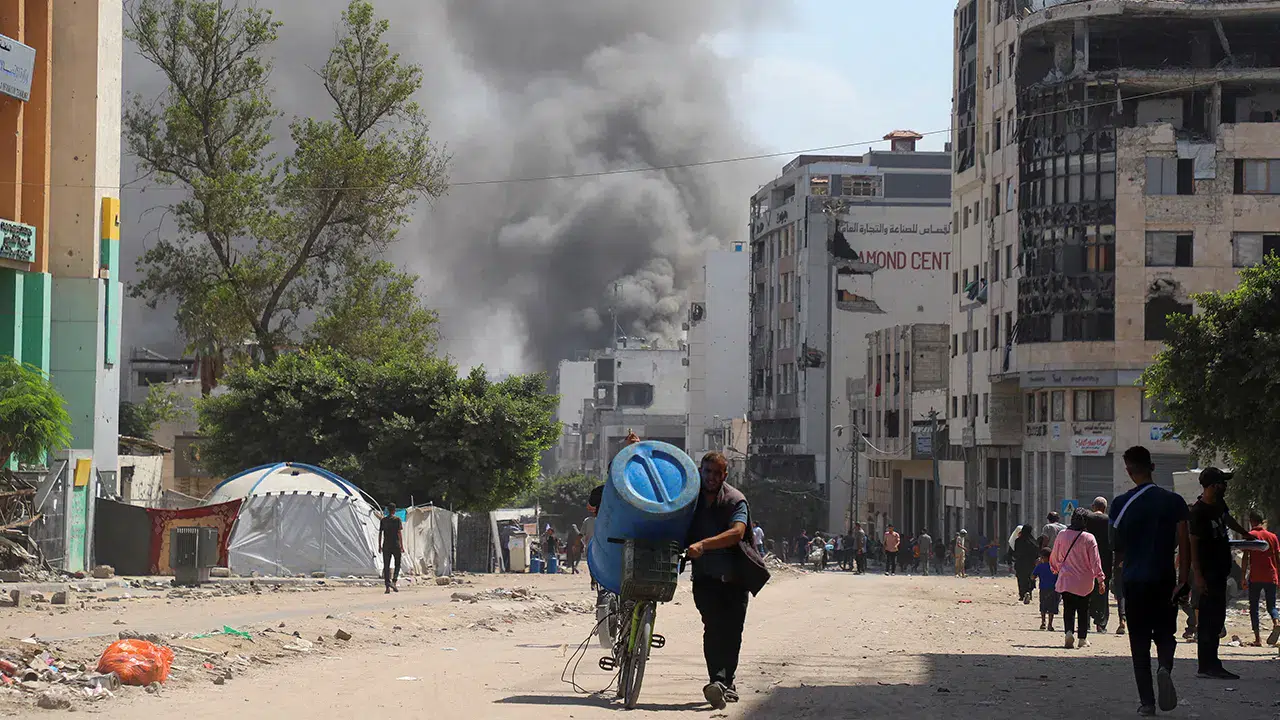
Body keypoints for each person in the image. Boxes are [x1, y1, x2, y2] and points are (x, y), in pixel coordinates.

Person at [1111, 446, 1191, 716]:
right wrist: (1183, 580)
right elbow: (1184, 543)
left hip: (1134, 580)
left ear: (1128, 471)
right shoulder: (1174, 502)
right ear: (1152, 467)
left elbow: (1115, 545)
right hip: (1164, 580)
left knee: (1139, 642)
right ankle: (1164, 667)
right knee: (1166, 634)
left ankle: (1147, 703)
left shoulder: (1121, 504)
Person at [686, 451, 766, 710]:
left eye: (716, 473)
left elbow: (737, 533)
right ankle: (718, 681)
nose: (710, 477)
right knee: (712, 628)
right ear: (701, 471)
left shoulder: (735, 500)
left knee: (732, 632)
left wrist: (703, 545)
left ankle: (724, 682)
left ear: (725, 475)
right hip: (705, 577)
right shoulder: (691, 498)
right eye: (707, 471)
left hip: (735, 578)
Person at [1188, 467, 1249, 679]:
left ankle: (1212, 663)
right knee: (1208, 620)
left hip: (1220, 570)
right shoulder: (1199, 511)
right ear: (1213, 486)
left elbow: (1227, 519)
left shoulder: (1218, 504)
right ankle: (1207, 666)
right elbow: (1193, 543)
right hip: (1208, 572)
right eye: (1222, 483)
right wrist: (1198, 575)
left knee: (1217, 619)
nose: (1225, 486)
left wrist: (1245, 534)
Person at [1051, 508, 1106, 650]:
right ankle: (1082, 638)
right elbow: (1095, 561)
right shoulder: (1089, 538)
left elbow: (1055, 554)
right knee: (1083, 609)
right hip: (1084, 581)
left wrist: (1055, 568)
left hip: (1067, 579)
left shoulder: (1062, 535)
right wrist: (1100, 579)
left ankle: (1069, 633)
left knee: (1068, 608)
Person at [1243, 509, 1280, 647]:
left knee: (1254, 607)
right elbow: (1278, 558)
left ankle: (1258, 639)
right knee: (1271, 606)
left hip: (1256, 576)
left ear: (1251, 521)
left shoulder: (1250, 536)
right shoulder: (1272, 536)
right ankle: (1276, 622)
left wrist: (1243, 577)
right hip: (1271, 575)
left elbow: (1245, 558)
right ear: (1263, 521)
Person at [1084, 497, 1115, 633]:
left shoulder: (1087, 519)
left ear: (1093, 506)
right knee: (1103, 592)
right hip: (1105, 561)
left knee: (1086, 591)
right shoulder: (1110, 521)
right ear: (1105, 508)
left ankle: (1086, 622)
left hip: (1087, 560)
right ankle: (1100, 623)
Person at [378, 504, 404, 594]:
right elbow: (399, 533)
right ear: (394, 510)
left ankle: (387, 587)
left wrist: (379, 545)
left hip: (386, 545)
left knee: (386, 566)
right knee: (397, 564)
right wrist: (402, 545)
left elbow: (380, 533)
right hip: (395, 544)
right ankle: (394, 582)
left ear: (388, 510)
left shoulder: (383, 520)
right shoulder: (397, 520)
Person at [1033, 548, 1060, 631]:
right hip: (1054, 589)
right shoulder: (1055, 566)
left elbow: (1033, 577)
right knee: (1052, 607)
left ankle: (1043, 622)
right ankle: (1050, 624)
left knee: (1043, 606)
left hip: (1043, 589)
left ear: (1043, 557)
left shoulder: (1040, 566)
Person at [1012, 524, 1039, 604]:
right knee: (1030, 578)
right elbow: (1037, 553)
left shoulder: (1018, 541)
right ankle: (1029, 592)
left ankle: (1022, 594)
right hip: (1031, 564)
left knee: (1021, 579)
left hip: (1020, 563)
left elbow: (1016, 552)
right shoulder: (1033, 541)